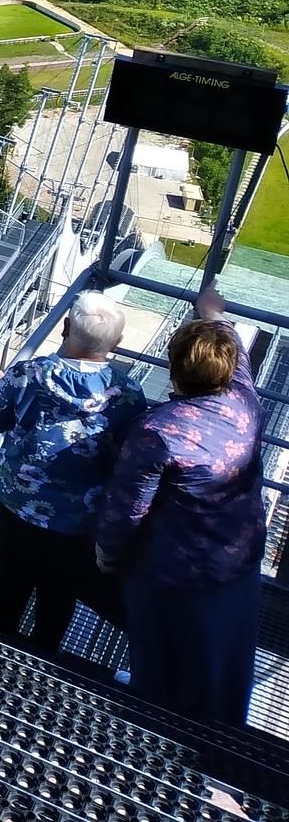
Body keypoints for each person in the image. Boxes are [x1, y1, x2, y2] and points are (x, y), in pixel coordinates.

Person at [96, 288, 265, 725]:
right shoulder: (244, 397)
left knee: (161, 672)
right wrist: (213, 314)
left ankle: (153, 737)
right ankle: (221, 751)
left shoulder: (159, 430)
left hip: (173, 573)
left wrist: (108, 553)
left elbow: (127, 508)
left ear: (176, 371)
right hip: (237, 560)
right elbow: (235, 350)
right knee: (223, 671)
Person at [0, 291, 145, 652]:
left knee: (11, 575)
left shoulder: (30, 373)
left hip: (20, 499)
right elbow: (130, 451)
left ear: (65, 327)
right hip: (80, 514)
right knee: (61, 588)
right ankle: (45, 654)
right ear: (116, 343)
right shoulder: (128, 393)